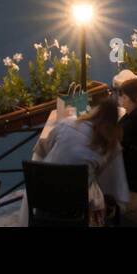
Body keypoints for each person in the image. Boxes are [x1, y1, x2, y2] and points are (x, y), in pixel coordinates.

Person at [35, 96, 123, 224]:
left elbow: (46, 147)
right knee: (95, 186)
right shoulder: (109, 145)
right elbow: (104, 177)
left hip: (44, 193)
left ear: (94, 110)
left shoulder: (67, 123)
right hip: (74, 203)